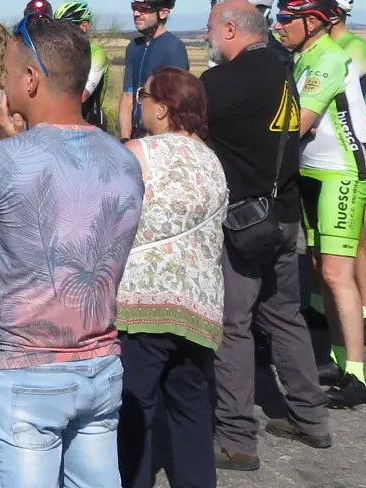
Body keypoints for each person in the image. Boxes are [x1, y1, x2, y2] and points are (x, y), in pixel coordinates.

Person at [0, 15, 143, 488]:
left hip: (24, 371)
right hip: (100, 365)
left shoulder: (4, 159)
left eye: (10, 75)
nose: (3, 85)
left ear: (31, 80)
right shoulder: (124, 159)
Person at [201, 0, 331, 469]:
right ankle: (311, 417)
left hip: (243, 221)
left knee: (233, 325)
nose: (207, 37)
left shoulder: (221, 82)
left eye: (212, 29)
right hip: (284, 214)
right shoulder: (284, 71)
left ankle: (236, 439)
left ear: (231, 29)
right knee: (284, 316)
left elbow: (186, 136)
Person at [116, 68, 228, 488]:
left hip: (145, 299)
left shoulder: (139, 153)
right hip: (199, 304)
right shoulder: (211, 160)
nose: (140, 103)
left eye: (144, 97)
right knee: (191, 407)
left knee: (134, 409)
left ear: (162, 108)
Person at [276, 0, 366, 408]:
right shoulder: (304, 56)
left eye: (286, 19)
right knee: (319, 266)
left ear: (313, 23)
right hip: (314, 171)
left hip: (342, 173)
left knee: (336, 273)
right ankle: (337, 355)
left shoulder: (330, 58)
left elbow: (298, 124)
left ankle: (357, 375)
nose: (277, 26)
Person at [316, 0, 366, 346]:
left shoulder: (353, 49)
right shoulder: (328, 47)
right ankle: (324, 308)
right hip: (329, 152)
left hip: (350, 149)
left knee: (356, 239)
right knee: (325, 244)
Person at [120, 0, 188, 139]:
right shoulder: (134, 46)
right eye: (134, 7)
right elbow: (127, 97)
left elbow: (175, 103)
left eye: (143, 9)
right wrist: (124, 139)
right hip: (135, 134)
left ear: (163, 13)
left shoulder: (173, 47)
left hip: (159, 136)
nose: (136, 13)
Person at [54, 0, 110, 129]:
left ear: (84, 26)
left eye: (66, 26)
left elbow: (82, 96)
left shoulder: (96, 53)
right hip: (63, 123)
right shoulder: (59, 54)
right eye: (57, 27)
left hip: (91, 122)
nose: (60, 32)